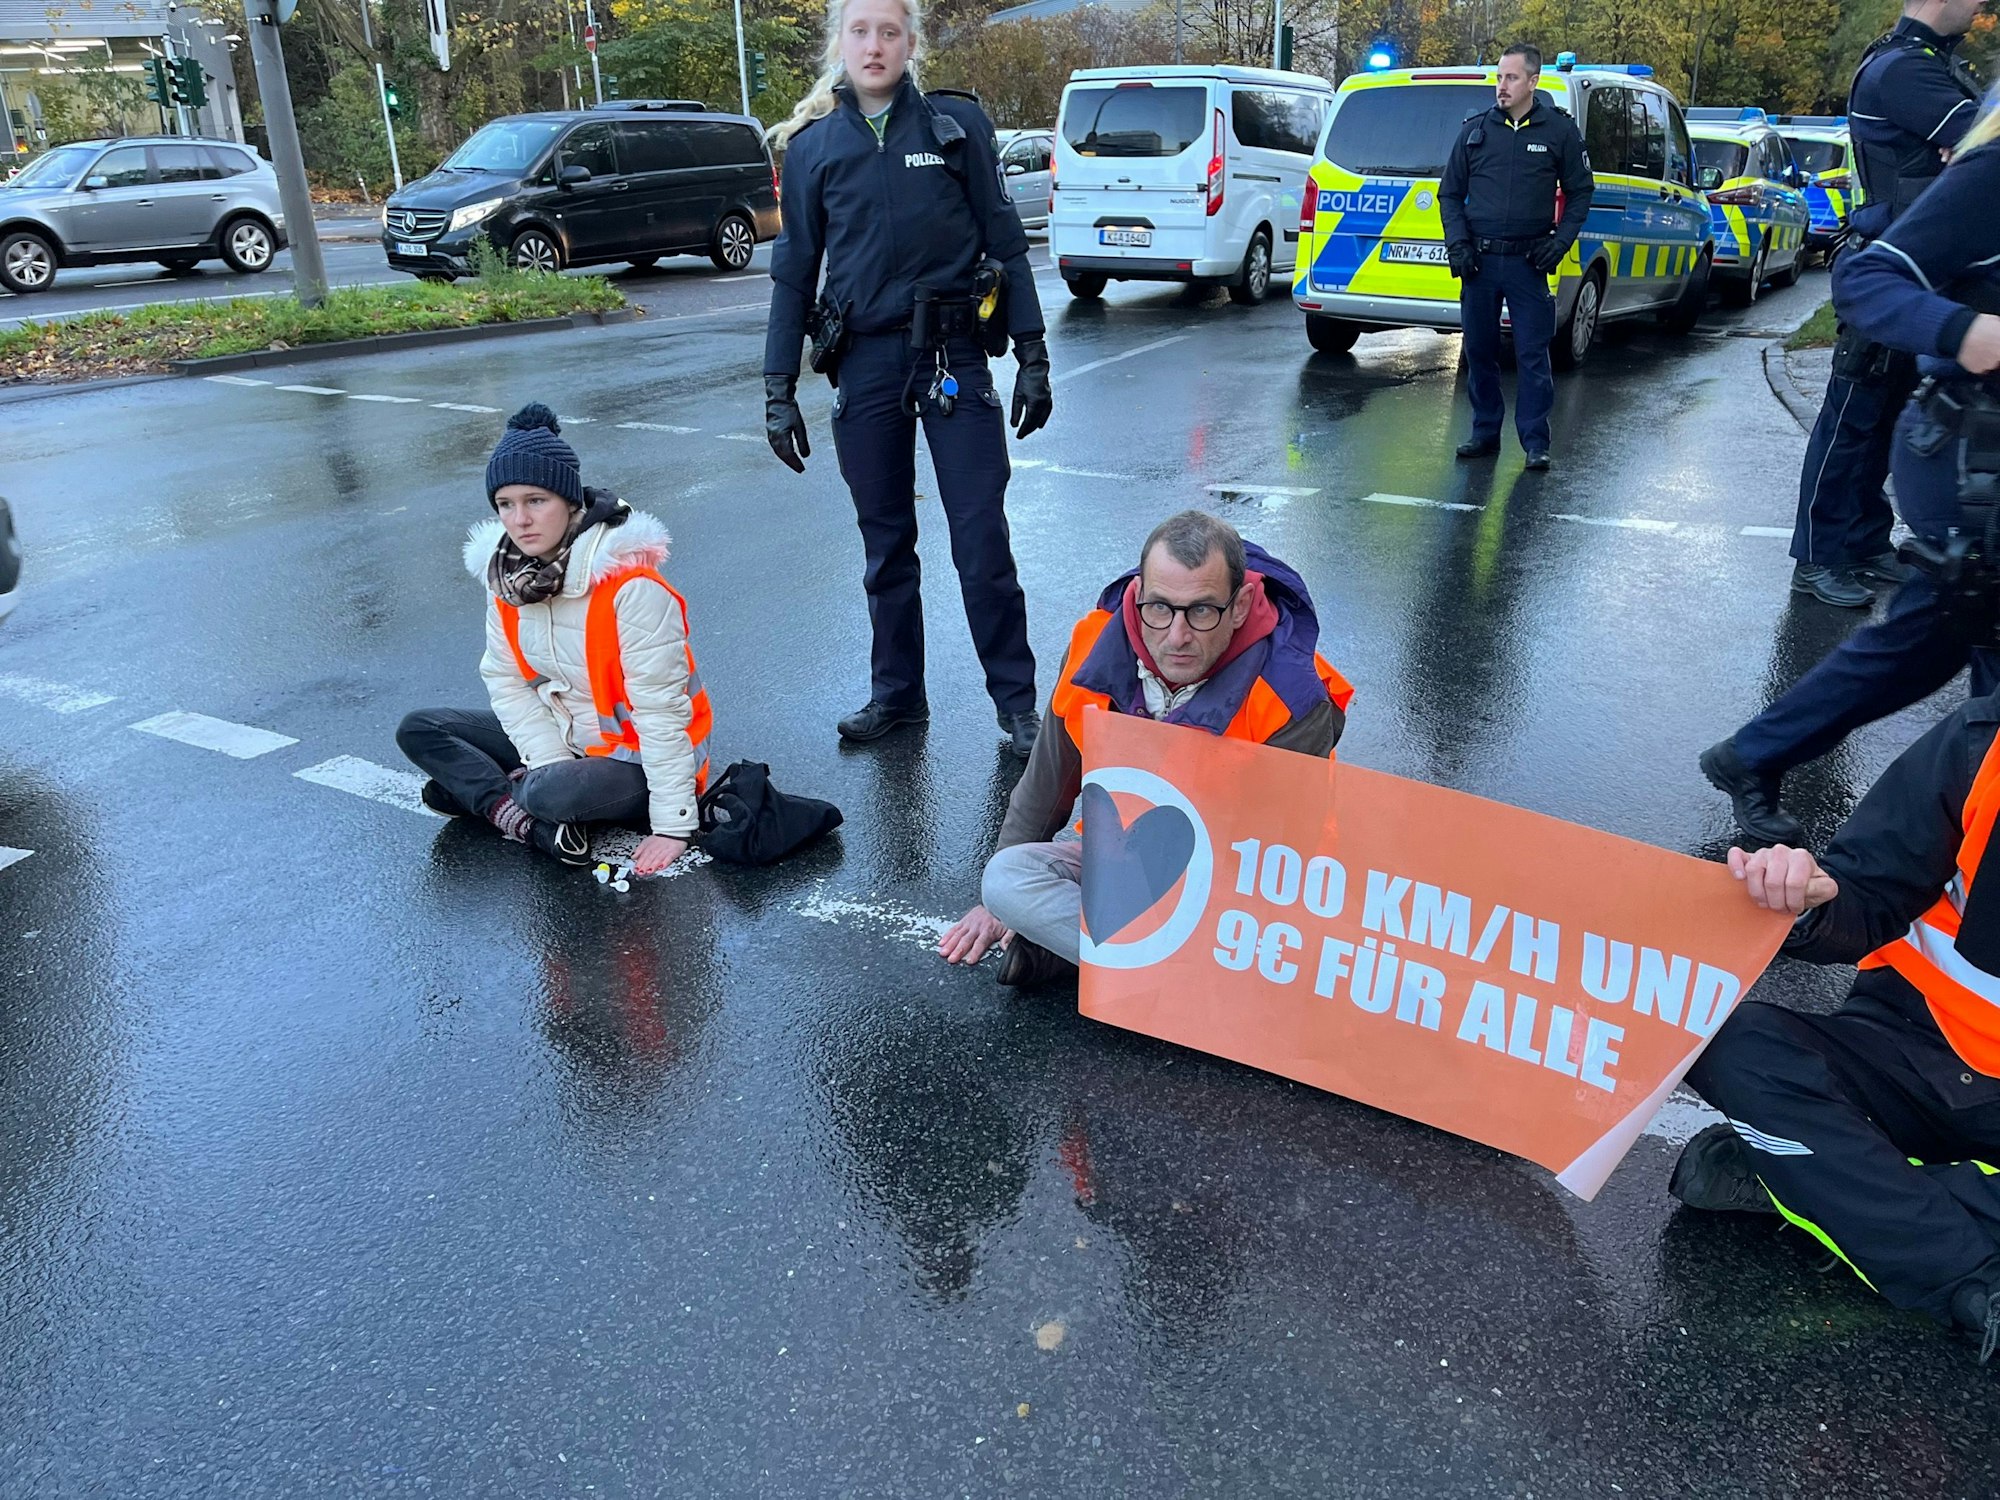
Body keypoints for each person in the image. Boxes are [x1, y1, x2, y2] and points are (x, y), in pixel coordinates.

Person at [1702, 98, 2000, 846]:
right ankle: (1934, 871)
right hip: (1972, 453)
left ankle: (1755, 756)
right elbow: (1866, 281)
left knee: (1923, 640)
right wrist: (1967, 332)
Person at [761, 0, 1052, 759]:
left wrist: (1033, 356)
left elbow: (1006, 243)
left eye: (889, 31)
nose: (874, 44)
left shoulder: (956, 131)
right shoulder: (815, 147)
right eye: (860, 30)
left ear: (911, 43)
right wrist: (776, 387)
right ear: (840, 44)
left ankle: (1017, 706)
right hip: (864, 362)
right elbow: (792, 274)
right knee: (885, 545)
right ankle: (897, 695)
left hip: (953, 356)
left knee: (981, 538)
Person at [1671, 693, 2000, 1363]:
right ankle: (1952, 1260)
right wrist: (1805, 900)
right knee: (1732, 1045)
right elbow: (1866, 891)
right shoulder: (1982, 744)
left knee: (1797, 1153)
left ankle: (1836, 1194)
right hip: (1910, 1047)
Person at [938, 511, 1354, 986]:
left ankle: (1095, 956)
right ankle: (1163, 973)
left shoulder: (1291, 694)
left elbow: (1278, 856)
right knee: (1006, 879)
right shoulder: (1093, 648)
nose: (1176, 636)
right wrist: (995, 910)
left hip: (1239, 878)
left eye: (1202, 610)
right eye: (1159, 608)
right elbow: (1045, 786)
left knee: (1284, 956)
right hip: (1129, 857)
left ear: (1239, 606)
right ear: (1137, 597)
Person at [397, 404, 711, 875]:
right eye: (506, 504)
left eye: (535, 501)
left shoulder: (632, 588)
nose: (520, 520)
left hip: (635, 760)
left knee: (545, 793)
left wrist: (673, 825)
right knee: (420, 728)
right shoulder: (506, 581)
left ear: (569, 503)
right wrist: (547, 761)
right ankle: (531, 822)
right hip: (565, 744)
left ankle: (498, 796)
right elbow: (507, 681)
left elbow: (661, 713)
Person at [1785, 0, 1984, 608]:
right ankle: (1817, 555)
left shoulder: (1927, 64)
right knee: (1852, 416)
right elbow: (1983, 145)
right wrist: (1966, 151)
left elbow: (1972, 146)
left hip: (1915, 267)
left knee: (1887, 413)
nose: (1979, 7)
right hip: (1888, 267)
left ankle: (1865, 540)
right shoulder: (1905, 70)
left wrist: (1967, 150)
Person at [1439, 42, 1593, 473]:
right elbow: (1449, 193)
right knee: (1480, 351)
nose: (1501, 87)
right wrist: (1459, 246)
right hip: (1480, 262)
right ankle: (1485, 433)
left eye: (1510, 78)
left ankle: (1535, 442)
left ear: (1533, 81)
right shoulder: (1476, 131)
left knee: (1531, 354)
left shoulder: (1558, 132)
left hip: (1529, 263)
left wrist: (1559, 244)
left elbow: (1582, 192)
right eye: (1498, 77)